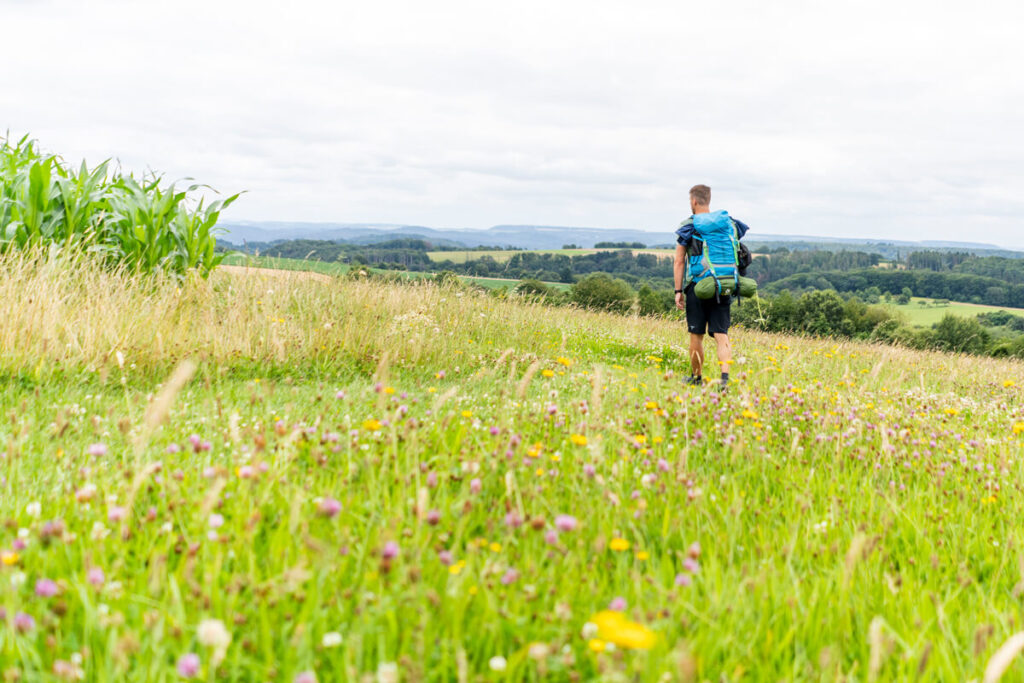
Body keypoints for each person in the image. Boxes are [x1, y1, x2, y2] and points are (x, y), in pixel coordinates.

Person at [673, 184, 750, 390]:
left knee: (696, 334)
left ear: (694, 202)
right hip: (724, 284)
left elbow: (679, 261)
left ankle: (696, 378)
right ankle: (724, 380)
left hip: (698, 286)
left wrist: (678, 291)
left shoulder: (689, 225)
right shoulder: (729, 224)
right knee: (721, 334)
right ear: (709, 200)